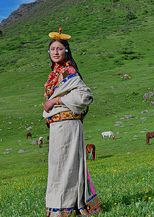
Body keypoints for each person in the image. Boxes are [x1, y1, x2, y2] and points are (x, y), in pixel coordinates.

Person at [43, 26, 100, 217]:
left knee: (66, 164)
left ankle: (64, 208)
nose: (55, 52)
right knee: (58, 164)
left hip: (68, 125)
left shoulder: (69, 71)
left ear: (66, 50)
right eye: (52, 49)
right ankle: (61, 206)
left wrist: (56, 100)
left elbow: (85, 96)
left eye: (59, 48)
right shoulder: (55, 74)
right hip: (58, 126)